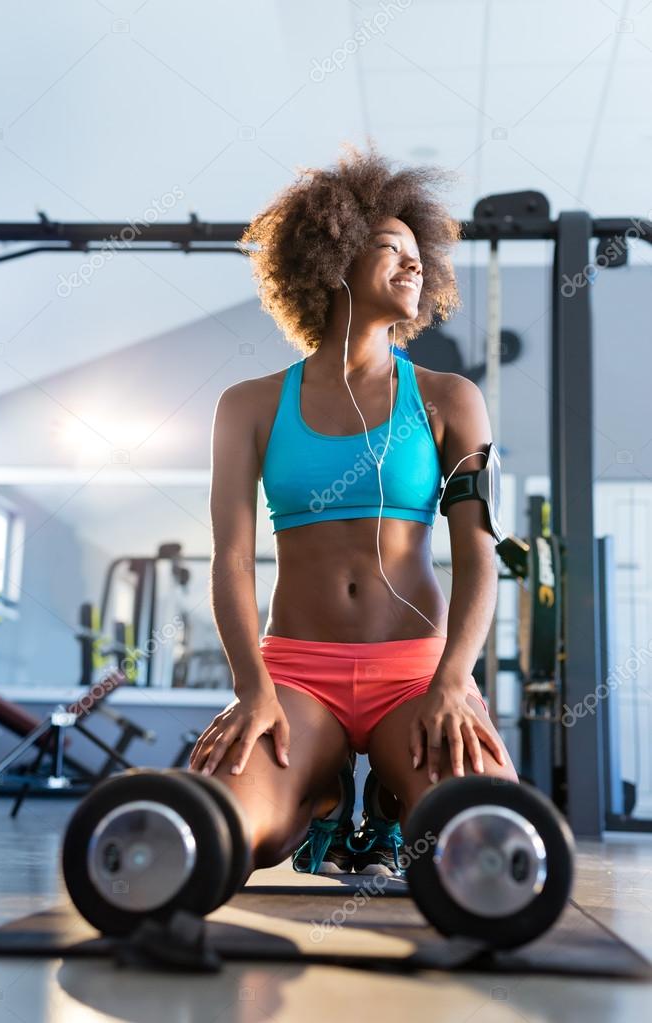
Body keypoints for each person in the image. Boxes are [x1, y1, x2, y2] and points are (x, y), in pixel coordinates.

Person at [190, 143, 518, 883]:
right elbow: (232, 559)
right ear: (331, 258)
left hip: (418, 671)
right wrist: (252, 687)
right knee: (225, 834)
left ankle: (398, 809)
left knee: (485, 842)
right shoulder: (247, 406)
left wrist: (455, 681)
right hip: (297, 673)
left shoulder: (449, 398)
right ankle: (325, 798)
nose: (414, 266)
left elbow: (477, 553)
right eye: (388, 247)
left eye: (417, 253)